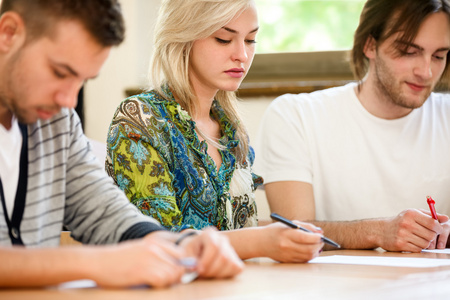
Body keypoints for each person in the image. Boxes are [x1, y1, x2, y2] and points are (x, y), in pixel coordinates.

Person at [0, 0, 244, 288]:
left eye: (83, 80)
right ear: (9, 33)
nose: (68, 101)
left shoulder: (56, 123)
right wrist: (96, 263)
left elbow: (104, 211)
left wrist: (180, 244)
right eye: (60, 73)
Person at [106, 0, 324, 263]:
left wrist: (286, 236)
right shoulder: (138, 120)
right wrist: (263, 241)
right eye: (223, 39)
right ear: (183, 37)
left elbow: (237, 232)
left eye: (251, 40)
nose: (242, 55)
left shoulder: (233, 131)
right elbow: (160, 241)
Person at [255, 0, 450, 253]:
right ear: (370, 45)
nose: (426, 71)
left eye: (439, 56)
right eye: (408, 52)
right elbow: (295, 229)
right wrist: (379, 232)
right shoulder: (296, 115)